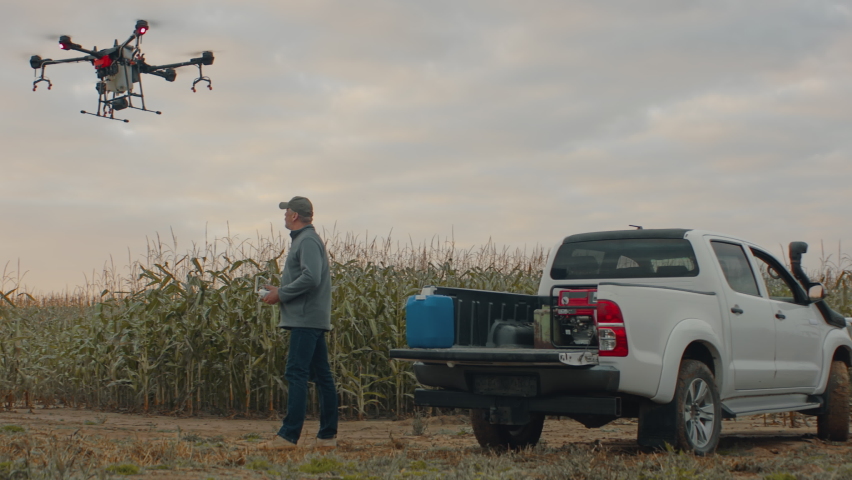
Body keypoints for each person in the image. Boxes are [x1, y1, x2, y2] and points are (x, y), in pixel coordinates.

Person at [260, 196, 338, 449]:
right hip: (310, 317)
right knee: (323, 376)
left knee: (296, 373)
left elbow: (311, 277)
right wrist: (280, 289)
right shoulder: (306, 240)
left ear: (294, 215)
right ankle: (327, 437)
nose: (284, 215)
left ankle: (288, 436)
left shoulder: (306, 240)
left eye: (287, 212)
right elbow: (307, 278)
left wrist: (281, 294)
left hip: (306, 319)